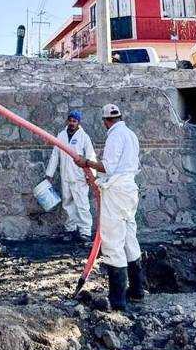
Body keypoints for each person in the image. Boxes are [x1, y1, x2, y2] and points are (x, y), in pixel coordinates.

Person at [74, 104, 145, 311]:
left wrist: (85, 162)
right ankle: (137, 290)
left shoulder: (114, 136)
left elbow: (108, 167)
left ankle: (117, 300)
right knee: (129, 238)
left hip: (116, 192)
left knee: (113, 241)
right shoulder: (131, 134)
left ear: (105, 121)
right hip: (130, 190)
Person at [44, 111, 96, 244]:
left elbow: (90, 155)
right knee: (67, 205)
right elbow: (55, 155)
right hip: (65, 176)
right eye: (70, 120)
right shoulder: (61, 135)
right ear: (67, 121)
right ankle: (70, 230)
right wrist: (49, 174)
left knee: (82, 205)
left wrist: (91, 175)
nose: (72, 123)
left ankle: (85, 232)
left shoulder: (84, 137)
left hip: (79, 177)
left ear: (78, 122)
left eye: (74, 121)